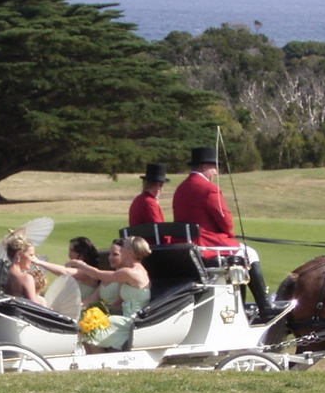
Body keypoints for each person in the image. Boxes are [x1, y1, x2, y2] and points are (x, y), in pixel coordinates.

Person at [172, 146, 274, 317]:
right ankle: (264, 306)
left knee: (242, 254)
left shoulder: (180, 189)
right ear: (204, 167)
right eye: (214, 167)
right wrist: (229, 233)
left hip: (187, 244)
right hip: (207, 244)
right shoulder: (209, 189)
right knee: (249, 253)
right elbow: (225, 220)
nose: (216, 172)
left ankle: (244, 305)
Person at [67, 236, 152, 351]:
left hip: (133, 321)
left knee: (92, 330)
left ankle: (99, 364)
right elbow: (119, 302)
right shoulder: (133, 271)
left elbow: (97, 274)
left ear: (130, 252)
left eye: (124, 248)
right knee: (88, 326)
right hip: (126, 318)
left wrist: (82, 265)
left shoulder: (129, 272)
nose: (121, 251)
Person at [3, 234, 48, 306]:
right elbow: (34, 306)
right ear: (19, 255)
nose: (33, 259)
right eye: (31, 255)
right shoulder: (25, 278)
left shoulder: (0, 273)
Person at [128, 162, 168, 227]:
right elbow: (159, 228)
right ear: (147, 184)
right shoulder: (149, 202)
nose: (158, 188)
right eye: (154, 184)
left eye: (160, 185)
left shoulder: (140, 199)